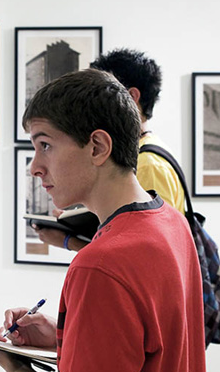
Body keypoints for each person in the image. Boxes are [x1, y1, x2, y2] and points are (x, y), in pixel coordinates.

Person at [0, 69, 207, 372]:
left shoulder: (101, 264)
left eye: (45, 145)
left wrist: (14, 364)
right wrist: (63, 338)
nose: (35, 168)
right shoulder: (170, 222)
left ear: (98, 147)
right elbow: (146, 351)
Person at [34, 48, 185, 252]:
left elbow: (140, 254)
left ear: (130, 98)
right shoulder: (151, 149)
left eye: (104, 90)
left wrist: (69, 242)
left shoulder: (148, 164)